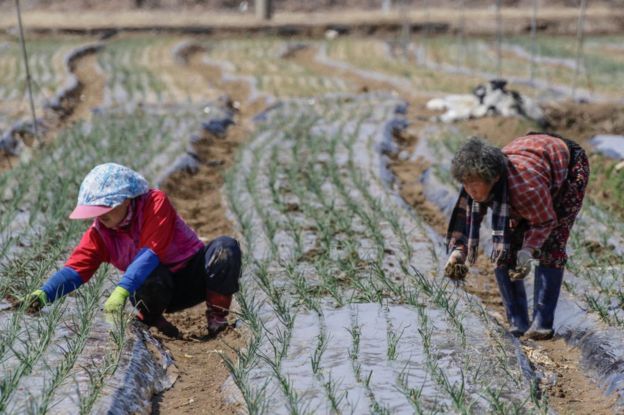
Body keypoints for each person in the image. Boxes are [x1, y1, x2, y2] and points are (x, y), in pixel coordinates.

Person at [20, 163, 242, 338]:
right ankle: (153, 320)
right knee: (148, 275)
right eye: (96, 210)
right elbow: (75, 270)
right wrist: (43, 294)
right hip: (155, 290)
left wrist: (121, 290)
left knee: (225, 248)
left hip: (193, 278)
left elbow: (151, 251)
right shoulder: (100, 233)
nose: (100, 215)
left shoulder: (154, 204)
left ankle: (217, 318)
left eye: (105, 207)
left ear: (126, 199)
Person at [444, 133, 589, 340]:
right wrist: (457, 253)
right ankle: (518, 321)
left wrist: (528, 250)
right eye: (465, 184)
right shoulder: (474, 182)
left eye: (474, 184)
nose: (470, 190)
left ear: (494, 178)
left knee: (552, 243)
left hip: (567, 166)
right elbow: (466, 223)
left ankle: (542, 323)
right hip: (533, 157)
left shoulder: (525, 188)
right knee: (505, 250)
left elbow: (545, 221)